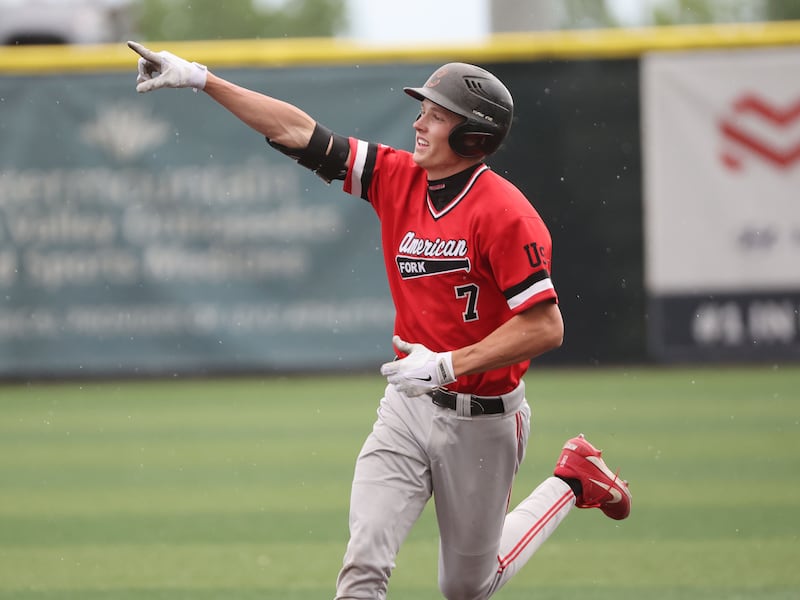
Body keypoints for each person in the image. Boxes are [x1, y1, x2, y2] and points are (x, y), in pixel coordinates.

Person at [127, 41, 632, 600]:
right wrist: (203, 80)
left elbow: (545, 327)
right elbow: (299, 132)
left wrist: (448, 365)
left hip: (483, 419)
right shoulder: (397, 177)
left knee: (467, 587)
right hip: (406, 408)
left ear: (473, 137)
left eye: (436, 116)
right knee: (364, 562)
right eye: (423, 111)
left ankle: (572, 481)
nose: (418, 123)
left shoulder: (506, 213)